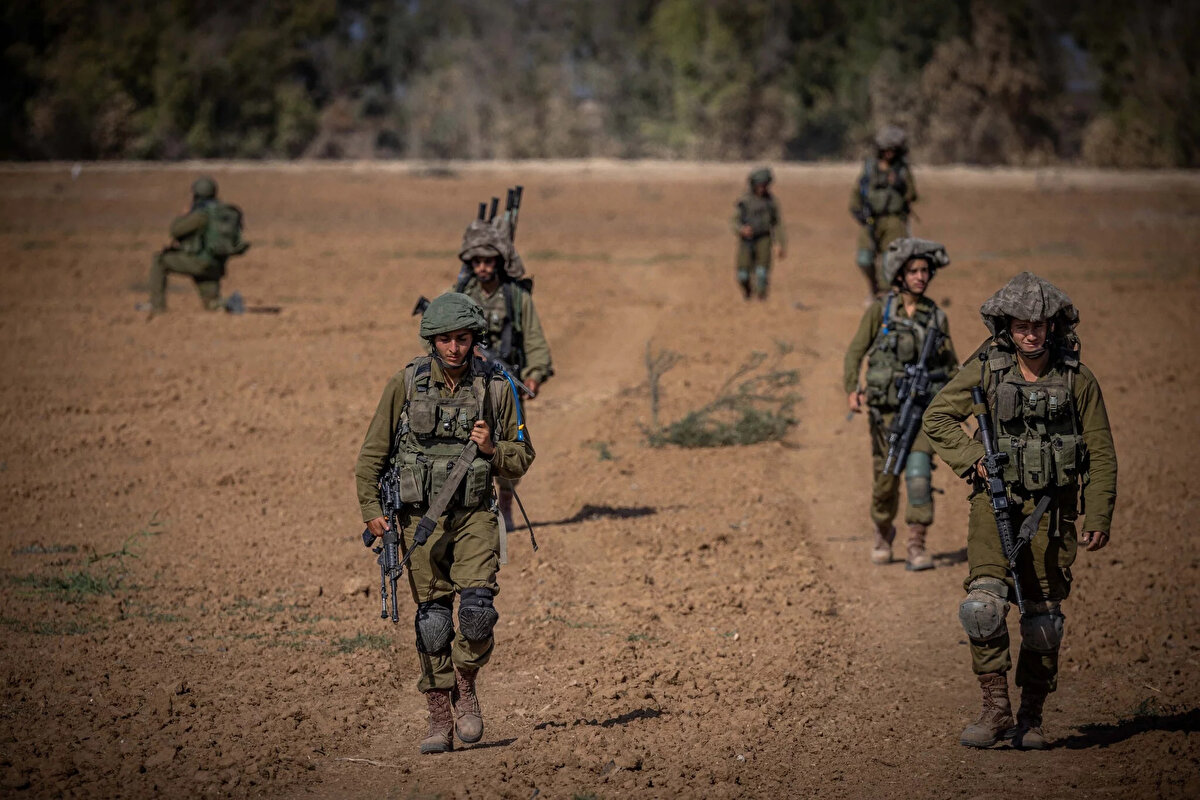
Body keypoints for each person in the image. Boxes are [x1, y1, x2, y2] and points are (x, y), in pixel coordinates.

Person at [923, 272, 1117, 750]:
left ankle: (1032, 715)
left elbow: (1101, 450)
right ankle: (994, 711)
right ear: (1005, 325)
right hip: (995, 509)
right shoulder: (987, 368)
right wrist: (974, 464)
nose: (1030, 332)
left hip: (1053, 516)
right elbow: (937, 417)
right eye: (1021, 324)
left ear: (1053, 326)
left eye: (1039, 324)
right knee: (982, 609)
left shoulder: (1077, 378)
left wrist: (1098, 515)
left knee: (1043, 622)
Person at [354, 293, 535, 754]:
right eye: (445, 340)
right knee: (433, 623)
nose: (454, 348)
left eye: (462, 338)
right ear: (431, 341)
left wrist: (494, 449)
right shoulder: (405, 383)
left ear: (475, 338)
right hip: (419, 521)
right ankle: (439, 714)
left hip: (474, 515)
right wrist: (372, 511)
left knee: (476, 615)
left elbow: (521, 460)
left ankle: (465, 685)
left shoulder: (497, 387)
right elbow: (371, 457)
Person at [844, 238, 958, 570]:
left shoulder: (936, 317)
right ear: (899, 275)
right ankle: (882, 531)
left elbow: (951, 366)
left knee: (919, 475)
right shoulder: (880, 311)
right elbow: (855, 352)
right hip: (886, 413)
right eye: (914, 271)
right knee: (885, 480)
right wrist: (852, 388)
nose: (921, 277)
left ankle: (916, 545)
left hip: (923, 412)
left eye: (925, 271)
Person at [453, 220, 552, 527]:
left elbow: (534, 338)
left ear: (498, 262)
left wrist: (534, 375)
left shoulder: (514, 296)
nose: (483, 268)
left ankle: (506, 500)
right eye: (477, 262)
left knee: (510, 445)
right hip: (467, 379)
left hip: (506, 381)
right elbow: (437, 334)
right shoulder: (460, 294)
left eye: (489, 261)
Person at [147, 176, 249, 314]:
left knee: (159, 260)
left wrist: (184, 216)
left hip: (199, 262)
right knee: (212, 304)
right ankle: (229, 303)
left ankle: (157, 307)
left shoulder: (202, 215)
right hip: (216, 266)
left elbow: (175, 230)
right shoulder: (223, 212)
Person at [850, 126, 917, 298]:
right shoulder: (869, 168)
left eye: (893, 150)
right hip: (871, 220)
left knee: (890, 261)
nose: (889, 153)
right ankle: (873, 286)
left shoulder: (902, 170)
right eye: (886, 149)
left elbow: (912, 194)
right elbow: (857, 192)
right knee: (864, 258)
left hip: (894, 222)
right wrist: (858, 213)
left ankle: (886, 294)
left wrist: (899, 184)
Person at [733, 167, 786, 300]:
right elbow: (734, 221)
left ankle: (761, 297)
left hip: (764, 238)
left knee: (762, 273)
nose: (762, 188)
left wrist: (780, 244)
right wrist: (741, 230)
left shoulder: (771, 202)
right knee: (743, 275)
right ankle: (748, 292)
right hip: (747, 240)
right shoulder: (744, 201)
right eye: (759, 185)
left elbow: (777, 224)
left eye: (764, 185)